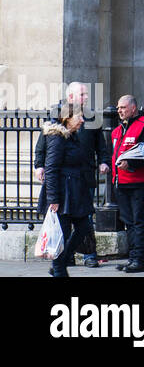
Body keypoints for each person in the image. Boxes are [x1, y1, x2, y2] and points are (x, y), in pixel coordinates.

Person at [33, 82, 108, 269]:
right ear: (71, 97)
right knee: (66, 225)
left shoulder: (91, 117)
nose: (86, 97)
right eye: (82, 94)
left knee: (85, 220)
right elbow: (44, 146)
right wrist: (38, 164)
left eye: (86, 94)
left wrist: (104, 161)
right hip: (66, 182)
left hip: (84, 177)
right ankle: (65, 259)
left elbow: (101, 145)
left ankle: (89, 254)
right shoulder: (57, 120)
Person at [40, 104, 96, 278]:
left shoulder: (71, 137)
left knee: (84, 226)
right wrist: (53, 199)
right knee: (61, 234)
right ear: (67, 118)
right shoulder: (57, 138)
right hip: (63, 192)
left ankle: (61, 262)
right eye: (79, 117)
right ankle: (59, 270)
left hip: (75, 190)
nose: (82, 120)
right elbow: (51, 168)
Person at [110, 95, 144, 273]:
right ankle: (132, 257)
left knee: (139, 221)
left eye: (123, 107)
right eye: (118, 107)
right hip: (121, 182)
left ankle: (140, 259)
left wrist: (132, 164)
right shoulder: (118, 130)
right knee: (128, 222)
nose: (119, 110)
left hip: (137, 182)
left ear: (133, 108)